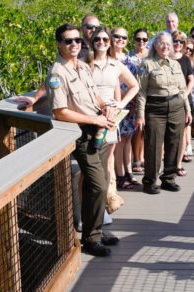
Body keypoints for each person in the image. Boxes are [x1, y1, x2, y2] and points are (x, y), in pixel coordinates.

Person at [45, 23, 119, 257]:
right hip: (82, 135)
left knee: (99, 182)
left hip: (99, 129)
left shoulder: (83, 67)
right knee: (97, 185)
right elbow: (60, 112)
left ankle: (93, 231)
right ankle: (91, 239)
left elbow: (93, 94)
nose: (75, 44)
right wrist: (93, 119)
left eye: (78, 40)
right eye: (69, 41)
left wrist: (105, 107)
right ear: (59, 44)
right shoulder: (57, 73)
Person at [87, 27, 139, 214]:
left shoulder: (115, 64)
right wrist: (35, 98)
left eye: (105, 40)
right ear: (92, 41)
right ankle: (97, 205)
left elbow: (134, 85)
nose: (101, 42)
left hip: (110, 117)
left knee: (108, 161)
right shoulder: (85, 62)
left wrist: (121, 104)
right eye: (97, 39)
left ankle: (109, 200)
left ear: (109, 43)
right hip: (89, 116)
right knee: (92, 163)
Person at [136, 32, 192, 194]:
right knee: (153, 146)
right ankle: (150, 182)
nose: (165, 46)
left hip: (176, 107)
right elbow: (141, 92)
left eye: (168, 43)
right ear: (154, 45)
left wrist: (187, 110)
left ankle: (169, 179)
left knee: (175, 143)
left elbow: (182, 90)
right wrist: (140, 114)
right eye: (161, 43)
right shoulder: (146, 65)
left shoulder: (175, 64)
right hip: (155, 109)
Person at [110, 27, 141, 190]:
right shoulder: (108, 58)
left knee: (128, 138)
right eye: (117, 36)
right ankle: (119, 175)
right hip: (115, 106)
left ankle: (129, 172)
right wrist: (124, 95)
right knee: (119, 140)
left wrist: (134, 101)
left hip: (130, 105)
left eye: (124, 37)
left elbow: (135, 82)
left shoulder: (130, 60)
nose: (120, 40)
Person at [171, 30, 194, 173]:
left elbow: (191, 79)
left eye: (181, 41)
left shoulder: (186, 59)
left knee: (183, 133)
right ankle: (167, 165)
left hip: (184, 99)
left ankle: (178, 165)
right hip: (168, 100)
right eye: (175, 41)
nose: (178, 44)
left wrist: (185, 94)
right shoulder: (165, 57)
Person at [128, 29, 149, 175]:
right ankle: (136, 159)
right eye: (138, 39)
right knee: (137, 129)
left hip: (150, 97)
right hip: (135, 97)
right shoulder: (129, 56)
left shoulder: (152, 54)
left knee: (146, 130)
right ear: (134, 40)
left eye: (144, 39)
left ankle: (143, 157)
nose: (141, 42)